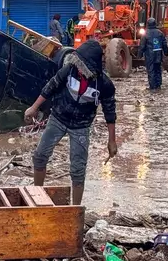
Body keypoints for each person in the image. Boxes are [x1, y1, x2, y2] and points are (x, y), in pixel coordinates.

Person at [24, 40, 117, 205]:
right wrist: (34, 107)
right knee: (40, 157)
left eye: (82, 65)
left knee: (78, 170)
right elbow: (50, 87)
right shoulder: (69, 70)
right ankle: (37, 196)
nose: (79, 68)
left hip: (81, 127)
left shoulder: (104, 84)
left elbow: (110, 113)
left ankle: (75, 208)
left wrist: (112, 140)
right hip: (58, 118)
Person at [139, 18, 168, 90]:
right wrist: (166, 52)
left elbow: (142, 46)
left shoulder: (145, 34)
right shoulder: (160, 33)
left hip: (150, 55)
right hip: (158, 54)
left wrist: (139, 55)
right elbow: (164, 44)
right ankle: (158, 85)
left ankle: (152, 86)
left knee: (151, 70)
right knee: (158, 70)